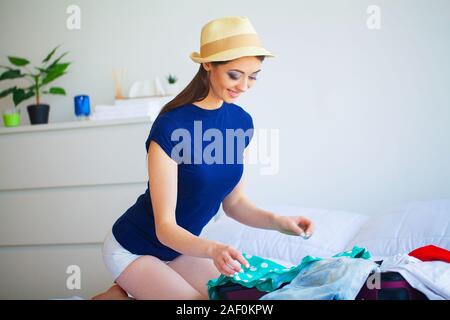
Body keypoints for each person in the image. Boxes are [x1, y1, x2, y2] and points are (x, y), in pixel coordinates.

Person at [92, 16, 314, 300]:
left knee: (229, 297)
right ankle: (129, 285)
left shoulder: (241, 122)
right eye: (235, 74)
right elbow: (165, 227)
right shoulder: (171, 126)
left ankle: (123, 294)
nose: (245, 86)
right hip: (134, 246)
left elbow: (235, 204)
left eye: (253, 76)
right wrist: (213, 249)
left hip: (179, 251)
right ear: (208, 64)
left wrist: (281, 222)